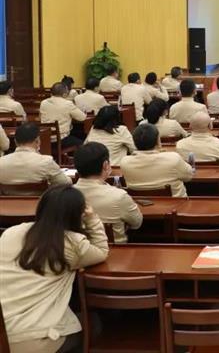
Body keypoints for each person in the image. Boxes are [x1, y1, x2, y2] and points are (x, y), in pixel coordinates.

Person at [0, 185, 109, 353]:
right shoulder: (73, 243)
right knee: (94, 323)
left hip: (3, 334)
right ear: (77, 215)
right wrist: (92, 218)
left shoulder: (12, 232)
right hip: (33, 340)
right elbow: (101, 251)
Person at [73, 142, 143, 243]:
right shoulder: (119, 196)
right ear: (106, 165)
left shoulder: (64, 196)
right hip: (116, 250)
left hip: (79, 250)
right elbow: (137, 223)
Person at [120, 123, 193, 197]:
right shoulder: (173, 158)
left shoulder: (125, 162)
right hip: (176, 203)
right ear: (158, 141)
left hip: (140, 203)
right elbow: (188, 176)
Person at [0, 122, 71, 194]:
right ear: (37, 141)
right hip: (40, 201)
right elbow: (65, 183)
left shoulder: (1, 162)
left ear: (15, 142)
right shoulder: (46, 161)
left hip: (7, 201)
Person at [39, 82, 86, 148]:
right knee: (82, 142)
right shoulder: (67, 104)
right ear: (64, 94)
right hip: (61, 139)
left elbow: (40, 117)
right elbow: (82, 117)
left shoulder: (43, 102)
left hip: (45, 138)